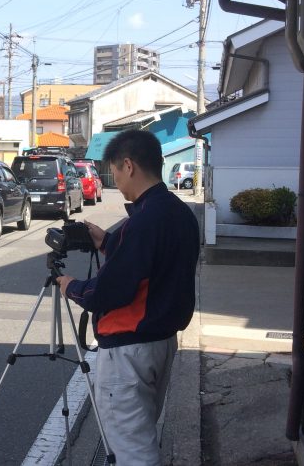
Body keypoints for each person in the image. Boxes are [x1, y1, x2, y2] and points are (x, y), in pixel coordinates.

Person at [56, 129, 199, 466]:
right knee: (142, 432)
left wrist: (70, 286)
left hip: (129, 350)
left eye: (115, 172)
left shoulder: (145, 221)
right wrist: (106, 242)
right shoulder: (178, 213)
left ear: (129, 165)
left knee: (133, 449)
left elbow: (109, 291)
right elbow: (152, 267)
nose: (115, 181)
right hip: (160, 340)